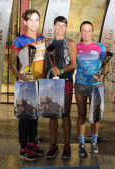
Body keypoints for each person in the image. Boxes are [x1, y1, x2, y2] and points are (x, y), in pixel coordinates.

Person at [8, 9, 45, 161]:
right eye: (31, 20)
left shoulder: (42, 39)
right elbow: (10, 62)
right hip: (25, 84)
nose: (34, 23)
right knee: (24, 117)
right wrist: (19, 75)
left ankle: (31, 143)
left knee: (34, 116)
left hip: (38, 83)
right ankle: (23, 148)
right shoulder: (19, 40)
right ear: (25, 22)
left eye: (36, 19)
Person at [44, 16, 77, 160]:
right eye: (58, 25)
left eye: (63, 25)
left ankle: (67, 145)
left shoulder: (70, 43)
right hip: (50, 82)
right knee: (52, 114)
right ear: (54, 26)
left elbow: (74, 64)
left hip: (66, 81)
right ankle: (53, 145)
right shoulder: (47, 43)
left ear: (66, 27)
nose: (61, 28)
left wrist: (61, 71)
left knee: (65, 114)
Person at [74, 21, 108, 157]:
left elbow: (106, 63)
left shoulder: (100, 47)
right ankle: (81, 144)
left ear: (93, 32)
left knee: (95, 115)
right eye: (84, 30)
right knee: (81, 114)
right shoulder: (75, 47)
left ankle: (94, 142)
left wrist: (102, 75)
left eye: (89, 30)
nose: (86, 33)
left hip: (95, 85)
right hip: (80, 84)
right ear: (80, 32)